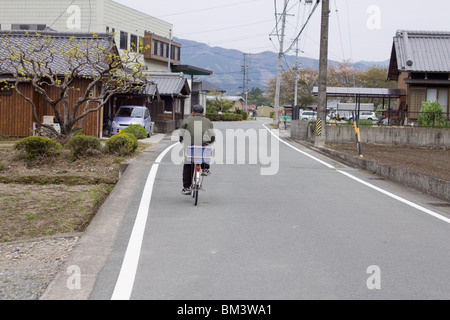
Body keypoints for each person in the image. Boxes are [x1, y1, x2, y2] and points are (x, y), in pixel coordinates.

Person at [179, 104, 215, 195]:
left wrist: (181, 140)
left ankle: (186, 188)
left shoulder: (187, 120)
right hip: (203, 145)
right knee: (205, 150)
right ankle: (205, 168)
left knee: (188, 164)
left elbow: (182, 133)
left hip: (190, 146)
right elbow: (212, 136)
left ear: (192, 113)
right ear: (203, 113)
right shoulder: (208, 121)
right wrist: (210, 141)